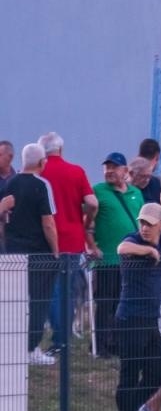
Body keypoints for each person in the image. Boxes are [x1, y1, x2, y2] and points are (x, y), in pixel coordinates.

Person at [38, 132, 97, 355]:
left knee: (51, 290)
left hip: (47, 239)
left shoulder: (40, 172)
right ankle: (64, 337)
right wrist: (86, 221)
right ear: (61, 150)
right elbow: (92, 202)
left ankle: (60, 338)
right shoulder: (76, 171)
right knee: (69, 291)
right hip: (73, 238)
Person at [0, 143, 60, 365]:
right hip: (39, 254)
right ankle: (31, 347)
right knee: (38, 302)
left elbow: (5, 219)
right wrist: (55, 252)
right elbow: (48, 223)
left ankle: (12, 346)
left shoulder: (10, 183)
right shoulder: (41, 185)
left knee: (16, 302)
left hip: (14, 251)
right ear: (42, 162)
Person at [116, 202, 161, 411]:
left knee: (156, 373)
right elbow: (121, 247)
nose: (145, 228)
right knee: (129, 373)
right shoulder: (133, 240)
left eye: (150, 224)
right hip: (130, 317)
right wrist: (148, 251)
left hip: (150, 319)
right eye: (142, 222)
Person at [91, 153, 144, 362]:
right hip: (106, 259)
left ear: (125, 171)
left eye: (114, 167)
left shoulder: (136, 193)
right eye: (107, 167)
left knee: (122, 303)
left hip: (130, 259)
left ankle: (116, 342)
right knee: (105, 302)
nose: (109, 171)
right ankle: (99, 345)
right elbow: (88, 221)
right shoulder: (97, 192)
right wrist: (91, 245)